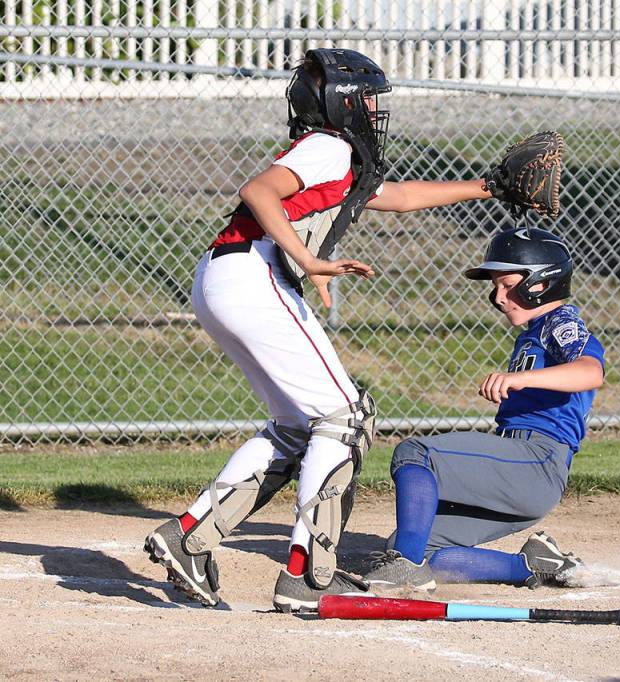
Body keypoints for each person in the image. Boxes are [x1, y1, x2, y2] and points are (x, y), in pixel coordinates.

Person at [143, 48, 500, 613]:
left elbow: (401, 197)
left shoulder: (339, 156)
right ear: (342, 103)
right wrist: (307, 263)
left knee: (296, 427)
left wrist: (487, 186)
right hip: (253, 275)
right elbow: (258, 192)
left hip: (232, 276)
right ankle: (310, 576)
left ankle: (190, 539)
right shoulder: (329, 145)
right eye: (369, 101)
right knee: (346, 418)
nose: (377, 112)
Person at [360, 227, 604, 592]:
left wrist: (522, 380)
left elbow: (590, 371)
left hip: (536, 461)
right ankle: (535, 565)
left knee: (415, 453)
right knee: (416, 545)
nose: (499, 297)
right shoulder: (533, 332)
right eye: (496, 287)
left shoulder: (560, 323)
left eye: (507, 284)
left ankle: (405, 569)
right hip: (524, 468)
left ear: (542, 283)